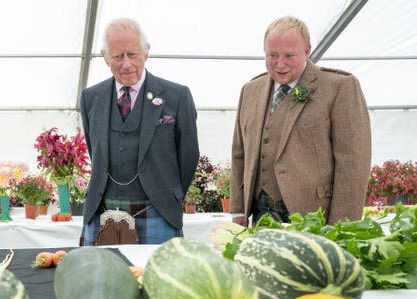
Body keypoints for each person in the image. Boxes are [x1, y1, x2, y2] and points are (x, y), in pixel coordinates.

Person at [230, 16, 371, 226]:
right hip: (261, 217)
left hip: (315, 218)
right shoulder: (250, 90)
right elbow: (239, 155)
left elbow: (353, 165)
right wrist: (238, 210)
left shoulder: (339, 86)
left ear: (307, 51)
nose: (280, 64)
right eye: (272, 55)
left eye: (289, 55)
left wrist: (341, 227)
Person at [79, 17, 200, 245]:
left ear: (146, 51)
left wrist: (167, 194)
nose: (126, 64)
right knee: (101, 281)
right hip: (101, 210)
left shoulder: (177, 96)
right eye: (117, 56)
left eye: (132, 54)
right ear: (105, 57)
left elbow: (189, 155)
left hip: (158, 212)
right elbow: (94, 150)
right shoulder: (90, 98)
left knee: (159, 280)